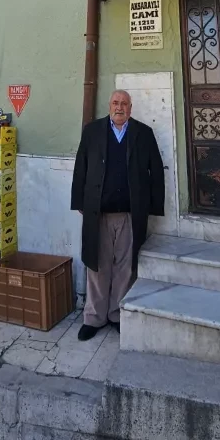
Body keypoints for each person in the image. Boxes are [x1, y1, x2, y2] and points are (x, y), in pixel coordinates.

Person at [71, 89, 165, 341]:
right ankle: (94, 317)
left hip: (129, 213)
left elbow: (155, 170)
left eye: (124, 103)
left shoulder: (143, 133)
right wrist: (79, 201)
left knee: (125, 267)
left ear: (131, 108)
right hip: (98, 212)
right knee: (97, 265)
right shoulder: (92, 131)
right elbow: (81, 167)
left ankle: (117, 314)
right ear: (109, 105)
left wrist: (154, 207)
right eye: (115, 102)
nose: (119, 107)